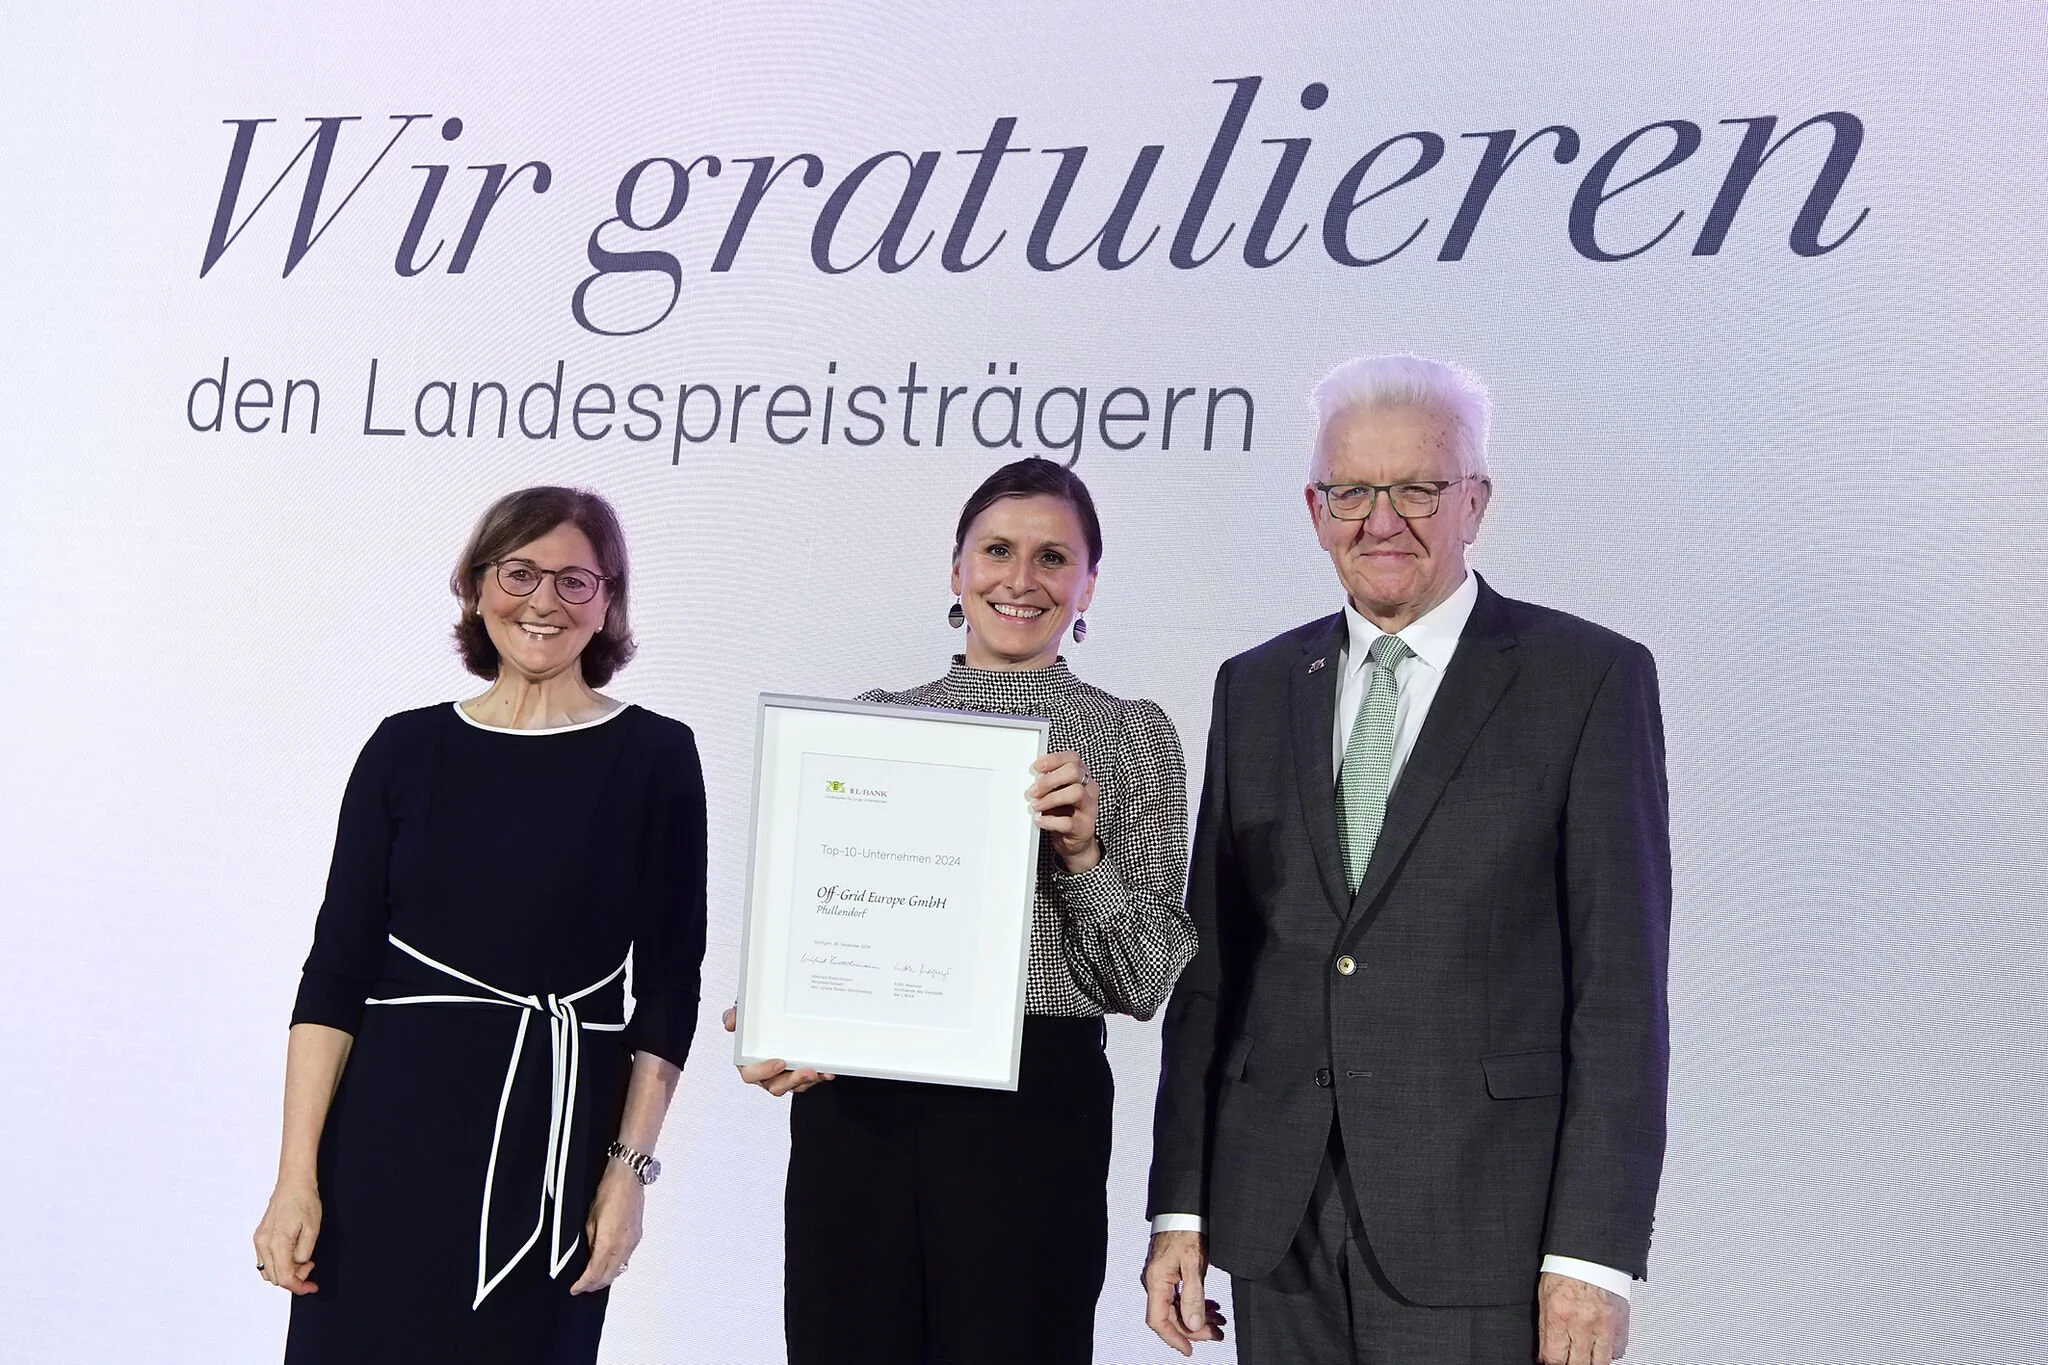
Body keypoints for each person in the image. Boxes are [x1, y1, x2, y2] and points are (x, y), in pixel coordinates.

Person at [1144, 355, 1671, 1365]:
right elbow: (1211, 977)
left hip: (1483, 1230)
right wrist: (1179, 1204)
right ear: (1314, 506)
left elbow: (1618, 993)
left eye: (1418, 487)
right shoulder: (1253, 688)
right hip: (1276, 1225)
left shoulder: (1586, 680)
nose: (1380, 518)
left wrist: (1592, 1255)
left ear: (1474, 500)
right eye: (1352, 490)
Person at [724, 456, 1197, 1364]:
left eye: (1053, 557)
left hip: (1031, 1115)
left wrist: (1082, 854)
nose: (1022, 579)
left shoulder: (1132, 734)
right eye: (997, 550)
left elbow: (1143, 982)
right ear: (956, 570)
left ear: (1089, 582)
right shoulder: (870, 722)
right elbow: (823, 921)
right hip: (857, 1110)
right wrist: (778, 1013)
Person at [251, 486, 709, 1365]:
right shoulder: (402, 748)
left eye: (576, 580)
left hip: (554, 1149)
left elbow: (667, 986)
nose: (543, 602)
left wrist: (627, 1172)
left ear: (609, 599)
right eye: (520, 573)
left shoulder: (656, 755)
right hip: (384, 1146)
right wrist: (295, 1175)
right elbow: (335, 975)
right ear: (473, 586)